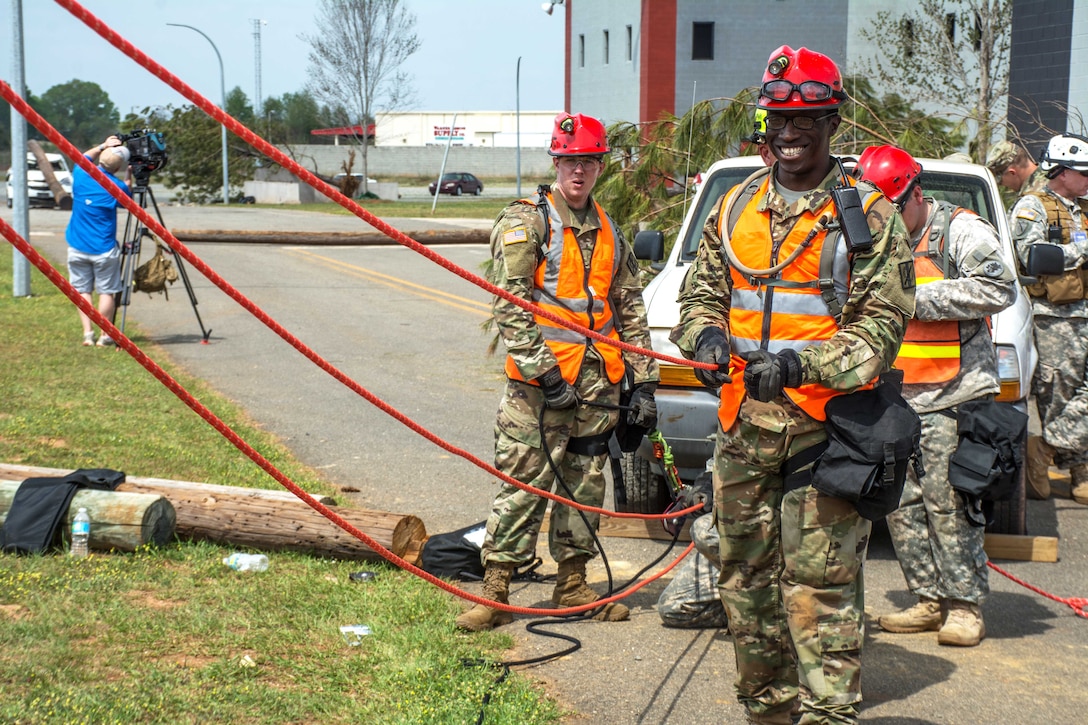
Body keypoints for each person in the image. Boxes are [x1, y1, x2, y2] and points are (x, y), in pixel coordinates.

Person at [670, 46, 915, 724]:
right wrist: (707, 341)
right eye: (778, 119)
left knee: (820, 592)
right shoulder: (734, 206)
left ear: (832, 125)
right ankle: (766, 711)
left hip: (825, 436)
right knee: (744, 588)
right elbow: (697, 303)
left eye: (804, 122)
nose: (788, 134)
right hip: (744, 435)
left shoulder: (866, 217)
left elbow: (880, 331)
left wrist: (803, 366)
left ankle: (828, 714)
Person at [455, 113, 660, 631]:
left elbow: (630, 305)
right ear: (556, 161)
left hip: (596, 386)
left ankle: (573, 583)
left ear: (599, 168)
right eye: (570, 161)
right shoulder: (528, 222)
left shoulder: (609, 227)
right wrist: (545, 374)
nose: (578, 172)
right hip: (538, 388)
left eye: (588, 162)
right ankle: (497, 589)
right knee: (523, 483)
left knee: (585, 485)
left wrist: (645, 380)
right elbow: (510, 305)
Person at [856, 146, 1016, 647]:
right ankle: (926, 599)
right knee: (900, 503)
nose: (882, 223)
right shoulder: (873, 237)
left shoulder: (962, 231)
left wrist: (914, 300)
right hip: (897, 395)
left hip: (953, 392)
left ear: (916, 194)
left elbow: (1000, 288)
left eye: (890, 211)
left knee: (950, 504)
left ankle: (964, 605)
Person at [1009, 133, 1088, 508]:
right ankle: (1079, 472)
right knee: (1060, 394)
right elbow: (1032, 257)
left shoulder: (1084, 208)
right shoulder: (1032, 206)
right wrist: (1081, 248)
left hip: (1084, 311)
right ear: (1061, 172)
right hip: (1056, 316)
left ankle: (1045, 447)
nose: (1087, 179)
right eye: (1082, 172)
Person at [65, 135, 132, 347]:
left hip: (77, 245)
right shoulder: (117, 186)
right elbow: (127, 201)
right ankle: (105, 335)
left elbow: (85, 156)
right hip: (103, 249)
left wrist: (104, 145)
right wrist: (129, 178)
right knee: (106, 291)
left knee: (82, 290)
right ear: (119, 166)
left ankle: (87, 333)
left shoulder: (81, 174)